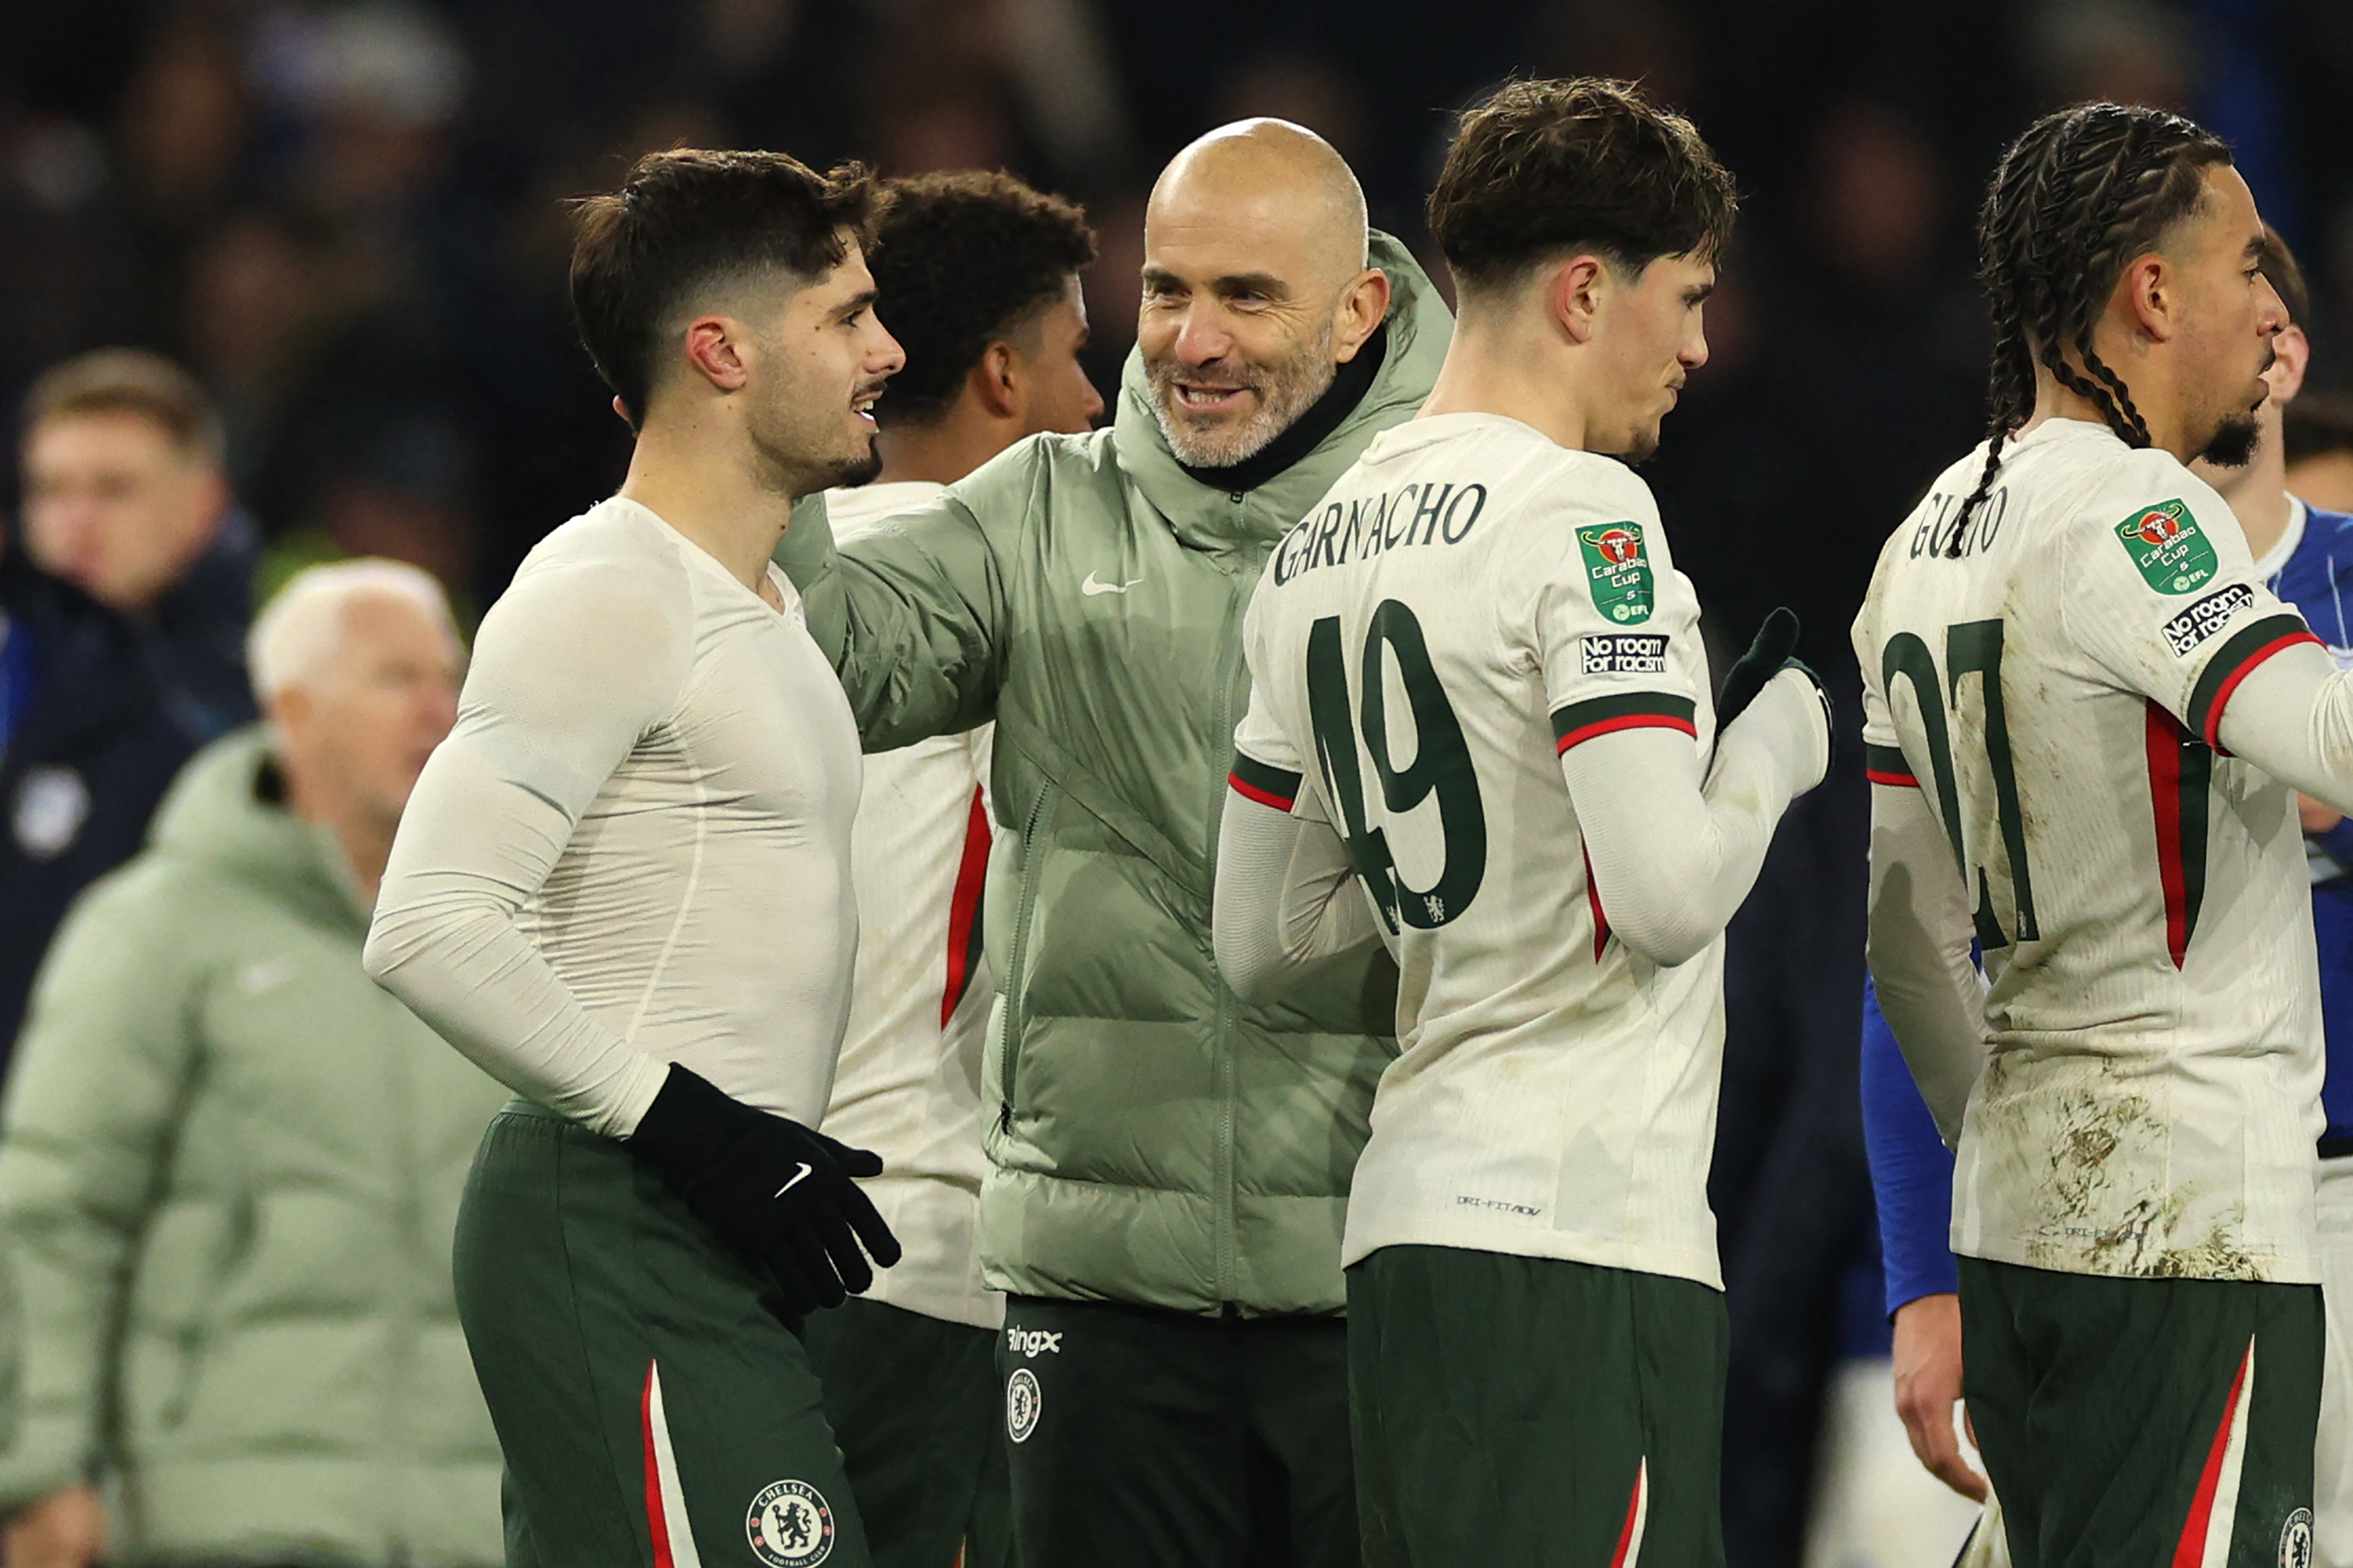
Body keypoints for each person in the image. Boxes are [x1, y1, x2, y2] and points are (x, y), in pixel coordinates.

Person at [773, 118, 1444, 1567]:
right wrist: (784, 430)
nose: (1191, 341)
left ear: (1359, 309)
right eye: (1167, 291)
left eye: (1245, 297)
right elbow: (827, 663)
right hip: (1094, 1288)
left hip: (1378, 1267)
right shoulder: (1034, 508)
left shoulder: (1461, 526)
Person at [1209, 79, 1830, 1565]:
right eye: (1681, 298)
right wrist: (1778, 742)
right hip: (1581, 1236)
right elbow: (1672, 896)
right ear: (1579, 290)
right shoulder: (1589, 521)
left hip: (1410, 1229)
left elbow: (1260, 945)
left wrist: (1467, 902)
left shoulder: (1309, 547)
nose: (1693, 345)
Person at [364, 150, 907, 1568]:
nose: (887, 350)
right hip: (614, 1216)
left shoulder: (770, 601)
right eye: (847, 316)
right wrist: (692, 1127)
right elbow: (425, 921)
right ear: (722, 351)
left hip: (706, 1233)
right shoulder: (609, 585)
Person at [1854, 101, 2353, 1565]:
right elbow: (2325, 739)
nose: (2268, 307)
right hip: (2191, 1213)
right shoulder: (2142, 506)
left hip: (2018, 1209)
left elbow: (1899, 933)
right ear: (2151, 291)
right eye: (2246, 262)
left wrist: (2000, 1125)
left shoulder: (1924, 532)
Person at [0, 558, 504, 1568]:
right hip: (222, 1512)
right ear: (292, 709)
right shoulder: (157, 927)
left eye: (448, 677)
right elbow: (56, 1208)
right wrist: (40, 1467)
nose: (436, 710)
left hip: (478, 1522)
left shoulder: (510, 939)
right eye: (394, 679)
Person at [803, 168, 1101, 1568]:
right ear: (999, 374)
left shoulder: (740, 588)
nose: (1097, 400)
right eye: (1074, 354)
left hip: (723, 1227)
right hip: (923, 1241)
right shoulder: (1036, 613)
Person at [1, 348, 256, 1064]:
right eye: (51, 490)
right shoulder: (16, 679)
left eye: (114, 490)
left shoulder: (260, 698)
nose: (75, 522)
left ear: (204, 503)